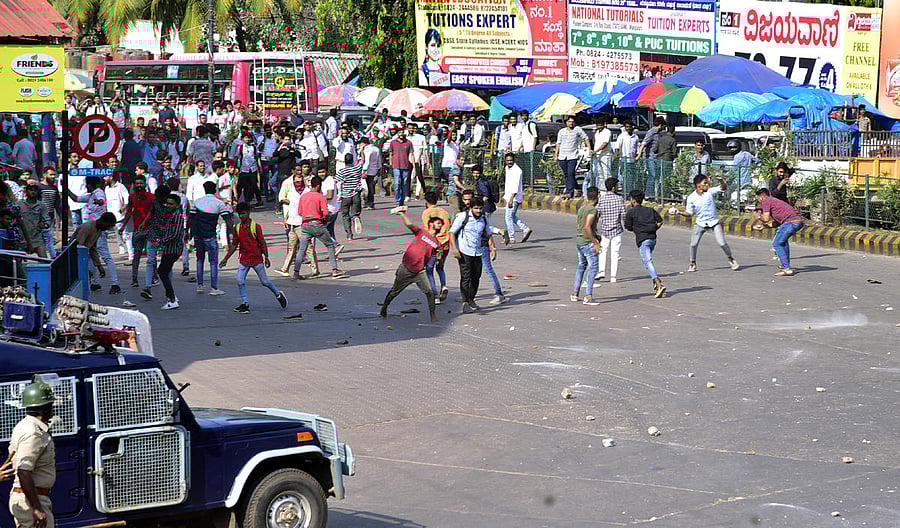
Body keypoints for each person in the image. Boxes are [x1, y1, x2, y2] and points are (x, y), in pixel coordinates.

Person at [218, 202, 288, 314]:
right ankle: (245, 303)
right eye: (240, 214)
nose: (241, 216)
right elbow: (234, 244)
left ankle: (278, 294)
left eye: (243, 213)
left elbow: (262, 242)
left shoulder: (255, 227)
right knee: (240, 280)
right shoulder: (238, 228)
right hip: (244, 259)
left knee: (265, 282)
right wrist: (225, 259)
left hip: (256, 259)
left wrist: (266, 257)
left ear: (248, 212)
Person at [6, 377, 57, 528]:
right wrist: (36, 508)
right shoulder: (33, 433)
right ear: (44, 408)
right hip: (31, 499)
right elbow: (23, 471)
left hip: (30, 497)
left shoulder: (24, 426)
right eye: (50, 405)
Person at [379, 209, 442, 322]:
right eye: (438, 223)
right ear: (431, 223)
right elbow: (409, 224)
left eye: (441, 224)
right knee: (394, 291)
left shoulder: (437, 243)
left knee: (430, 292)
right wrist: (402, 214)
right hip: (406, 269)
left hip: (420, 271)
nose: (440, 225)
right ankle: (384, 307)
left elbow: (433, 257)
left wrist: (437, 259)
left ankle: (433, 315)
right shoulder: (421, 233)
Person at [673, 174, 740, 273]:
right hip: (700, 223)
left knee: (722, 243)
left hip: (714, 222)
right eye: (705, 183)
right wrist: (678, 212)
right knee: (693, 244)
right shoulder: (691, 197)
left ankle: (730, 258)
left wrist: (721, 180)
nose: (707, 184)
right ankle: (692, 263)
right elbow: (689, 213)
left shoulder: (710, 191)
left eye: (707, 182)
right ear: (698, 185)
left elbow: (723, 187)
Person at [66, 177, 119, 294]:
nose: (86, 187)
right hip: (93, 228)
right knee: (89, 254)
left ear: (90, 185)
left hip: (98, 228)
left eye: (87, 185)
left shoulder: (98, 193)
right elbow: (76, 198)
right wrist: (65, 188)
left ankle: (114, 283)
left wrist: (99, 202)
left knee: (105, 256)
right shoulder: (90, 196)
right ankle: (94, 282)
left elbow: (101, 200)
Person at [449, 195, 496, 312]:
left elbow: (488, 233)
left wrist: (493, 248)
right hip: (464, 251)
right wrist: (454, 249)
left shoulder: (484, 218)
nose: (478, 211)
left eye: (480, 208)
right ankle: (465, 301)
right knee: (466, 277)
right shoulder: (462, 217)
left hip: (477, 251)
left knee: (476, 277)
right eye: (476, 208)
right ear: (471, 208)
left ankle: (471, 299)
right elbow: (452, 233)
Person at [293, 176, 343, 279]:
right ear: (319, 185)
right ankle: (334, 269)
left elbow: (299, 212)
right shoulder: (320, 197)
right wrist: (324, 218)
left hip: (305, 225)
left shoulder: (303, 196)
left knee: (302, 249)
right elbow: (325, 213)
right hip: (316, 224)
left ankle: (296, 272)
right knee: (330, 245)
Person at [142, 189, 185, 309]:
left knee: (162, 272)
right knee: (164, 271)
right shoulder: (171, 215)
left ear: (177, 205)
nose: (168, 205)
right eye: (167, 203)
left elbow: (175, 234)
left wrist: (161, 241)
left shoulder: (177, 216)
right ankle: (171, 296)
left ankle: (172, 299)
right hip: (169, 248)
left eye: (171, 204)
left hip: (173, 248)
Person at [188, 181, 232, 295]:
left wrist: (187, 232)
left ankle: (200, 285)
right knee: (213, 262)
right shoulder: (219, 203)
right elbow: (227, 219)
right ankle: (214, 288)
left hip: (198, 235)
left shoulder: (197, 202)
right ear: (214, 190)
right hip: (211, 236)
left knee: (200, 259)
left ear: (205, 189)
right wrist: (234, 233)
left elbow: (190, 218)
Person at [752, 188, 804, 276]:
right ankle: (785, 265)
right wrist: (763, 227)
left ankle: (786, 268)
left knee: (777, 244)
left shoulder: (766, 201)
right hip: (797, 222)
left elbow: (766, 219)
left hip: (790, 222)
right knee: (783, 242)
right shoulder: (774, 202)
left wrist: (758, 216)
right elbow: (776, 223)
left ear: (761, 196)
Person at [278, 166, 319, 278]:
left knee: (308, 247)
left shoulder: (307, 192)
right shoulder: (291, 191)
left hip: (302, 223)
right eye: (296, 182)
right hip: (292, 223)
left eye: (300, 181)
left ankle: (315, 269)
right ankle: (285, 269)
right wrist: (285, 218)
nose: (298, 184)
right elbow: (289, 206)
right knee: (292, 248)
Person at [624, 190, 666, 298]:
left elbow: (627, 226)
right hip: (652, 239)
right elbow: (660, 221)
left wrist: (637, 229)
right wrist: (654, 229)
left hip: (643, 240)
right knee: (647, 260)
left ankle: (658, 283)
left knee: (647, 261)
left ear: (633, 201)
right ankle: (655, 282)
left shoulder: (631, 212)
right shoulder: (650, 210)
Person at [120, 173, 155, 289]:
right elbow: (129, 211)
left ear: (145, 184)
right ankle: (134, 279)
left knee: (151, 256)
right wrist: (123, 226)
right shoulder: (132, 197)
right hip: (137, 230)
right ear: (134, 185)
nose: (139, 185)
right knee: (136, 256)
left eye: (141, 183)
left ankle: (154, 277)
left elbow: (154, 212)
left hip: (150, 230)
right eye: (137, 183)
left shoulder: (151, 197)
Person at [74, 212, 118, 294]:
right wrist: (84, 267)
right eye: (108, 226)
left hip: (83, 254)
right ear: (103, 222)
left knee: (92, 270)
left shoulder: (98, 230)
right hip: (76, 255)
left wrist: (99, 265)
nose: (107, 229)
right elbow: (78, 247)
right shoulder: (87, 227)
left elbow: (93, 248)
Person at [572, 186, 601, 306]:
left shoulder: (582, 208)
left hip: (579, 241)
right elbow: (587, 227)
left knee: (581, 267)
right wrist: (595, 242)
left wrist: (596, 236)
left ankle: (575, 293)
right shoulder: (592, 210)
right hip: (587, 242)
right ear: (597, 196)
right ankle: (588, 296)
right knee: (593, 268)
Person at [421, 191, 451, 303]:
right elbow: (449, 228)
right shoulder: (444, 212)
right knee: (440, 267)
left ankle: (435, 296)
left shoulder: (426, 213)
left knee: (429, 270)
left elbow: (427, 231)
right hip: (445, 245)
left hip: (433, 245)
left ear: (426, 201)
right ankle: (444, 286)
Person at [595, 177, 625, 282]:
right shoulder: (619, 199)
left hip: (605, 230)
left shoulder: (602, 199)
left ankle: (601, 271)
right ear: (613, 188)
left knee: (603, 251)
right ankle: (613, 277)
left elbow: (597, 213)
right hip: (617, 230)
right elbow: (623, 214)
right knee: (615, 253)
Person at [554, 115, 589, 199]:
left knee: (571, 173)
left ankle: (570, 192)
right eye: (569, 121)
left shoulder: (577, 129)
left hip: (572, 155)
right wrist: (556, 155)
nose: (571, 123)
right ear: (566, 122)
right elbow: (558, 143)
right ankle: (574, 189)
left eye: (572, 122)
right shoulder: (561, 131)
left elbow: (586, 138)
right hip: (562, 156)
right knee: (566, 174)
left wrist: (589, 149)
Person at [501, 152, 532, 244]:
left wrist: (511, 199)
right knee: (512, 216)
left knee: (508, 217)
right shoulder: (507, 168)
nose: (509, 162)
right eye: (508, 160)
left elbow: (515, 186)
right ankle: (525, 229)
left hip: (514, 197)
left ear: (513, 160)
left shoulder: (517, 170)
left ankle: (511, 237)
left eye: (511, 160)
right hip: (509, 196)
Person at [336, 153, 364, 239]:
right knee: (355, 212)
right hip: (356, 194)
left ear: (345, 161)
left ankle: (349, 234)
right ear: (352, 160)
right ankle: (355, 217)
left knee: (345, 215)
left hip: (345, 196)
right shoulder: (357, 168)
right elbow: (363, 160)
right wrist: (362, 151)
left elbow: (336, 181)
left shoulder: (342, 171)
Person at [104, 171, 130, 260]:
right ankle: (121, 247)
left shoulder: (121, 187)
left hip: (120, 216)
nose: (104, 178)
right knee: (115, 233)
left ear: (111, 177)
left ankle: (131, 253)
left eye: (106, 176)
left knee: (125, 234)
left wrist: (123, 208)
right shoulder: (106, 188)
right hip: (110, 216)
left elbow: (127, 200)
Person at [19, 184, 50, 258]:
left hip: (37, 239)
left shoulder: (41, 205)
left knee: (44, 260)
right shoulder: (19, 204)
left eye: (35, 190)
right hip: (21, 239)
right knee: (17, 262)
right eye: (31, 190)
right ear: (26, 191)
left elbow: (47, 220)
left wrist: (44, 225)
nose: (33, 192)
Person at [637, 116, 665, 196]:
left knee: (656, 177)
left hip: (657, 158)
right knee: (652, 176)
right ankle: (648, 194)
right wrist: (639, 155)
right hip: (650, 158)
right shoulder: (651, 132)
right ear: (660, 125)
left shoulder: (660, 133)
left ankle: (655, 194)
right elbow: (643, 144)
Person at [36, 168, 60, 258]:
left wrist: (59, 216)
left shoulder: (54, 188)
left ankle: (50, 256)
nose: (53, 177)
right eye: (51, 174)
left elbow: (57, 203)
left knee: (48, 237)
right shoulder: (39, 187)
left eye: (54, 175)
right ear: (45, 175)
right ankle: (49, 256)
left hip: (50, 216)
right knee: (44, 237)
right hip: (39, 216)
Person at [388, 129, 413, 206]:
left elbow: (411, 154)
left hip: (405, 166)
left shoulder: (408, 142)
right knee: (397, 183)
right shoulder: (393, 142)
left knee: (404, 184)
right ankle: (398, 198)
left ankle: (401, 200)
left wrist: (414, 165)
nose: (401, 134)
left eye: (402, 132)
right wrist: (391, 164)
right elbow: (390, 153)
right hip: (396, 165)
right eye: (400, 132)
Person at [589, 117, 612, 195]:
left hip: (605, 155)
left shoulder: (607, 131)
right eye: (597, 125)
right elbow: (594, 142)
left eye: (600, 125)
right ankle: (602, 191)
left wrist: (596, 151)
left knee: (606, 173)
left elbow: (605, 143)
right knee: (599, 173)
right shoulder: (597, 133)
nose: (598, 126)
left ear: (603, 125)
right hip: (597, 156)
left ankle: (609, 191)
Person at [653, 124, 677, 192]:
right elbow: (674, 153)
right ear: (673, 131)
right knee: (666, 179)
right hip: (667, 161)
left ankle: (657, 193)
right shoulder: (673, 140)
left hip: (658, 161)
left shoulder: (660, 139)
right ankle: (665, 193)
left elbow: (654, 150)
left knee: (657, 178)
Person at [360, 137, 382, 209]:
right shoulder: (376, 149)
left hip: (367, 170)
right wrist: (379, 168)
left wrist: (364, 170)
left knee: (367, 187)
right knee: (371, 187)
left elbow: (367, 161)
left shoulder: (367, 149)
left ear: (363, 143)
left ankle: (368, 203)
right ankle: (370, 203)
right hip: (374, 170)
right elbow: (379, 160)